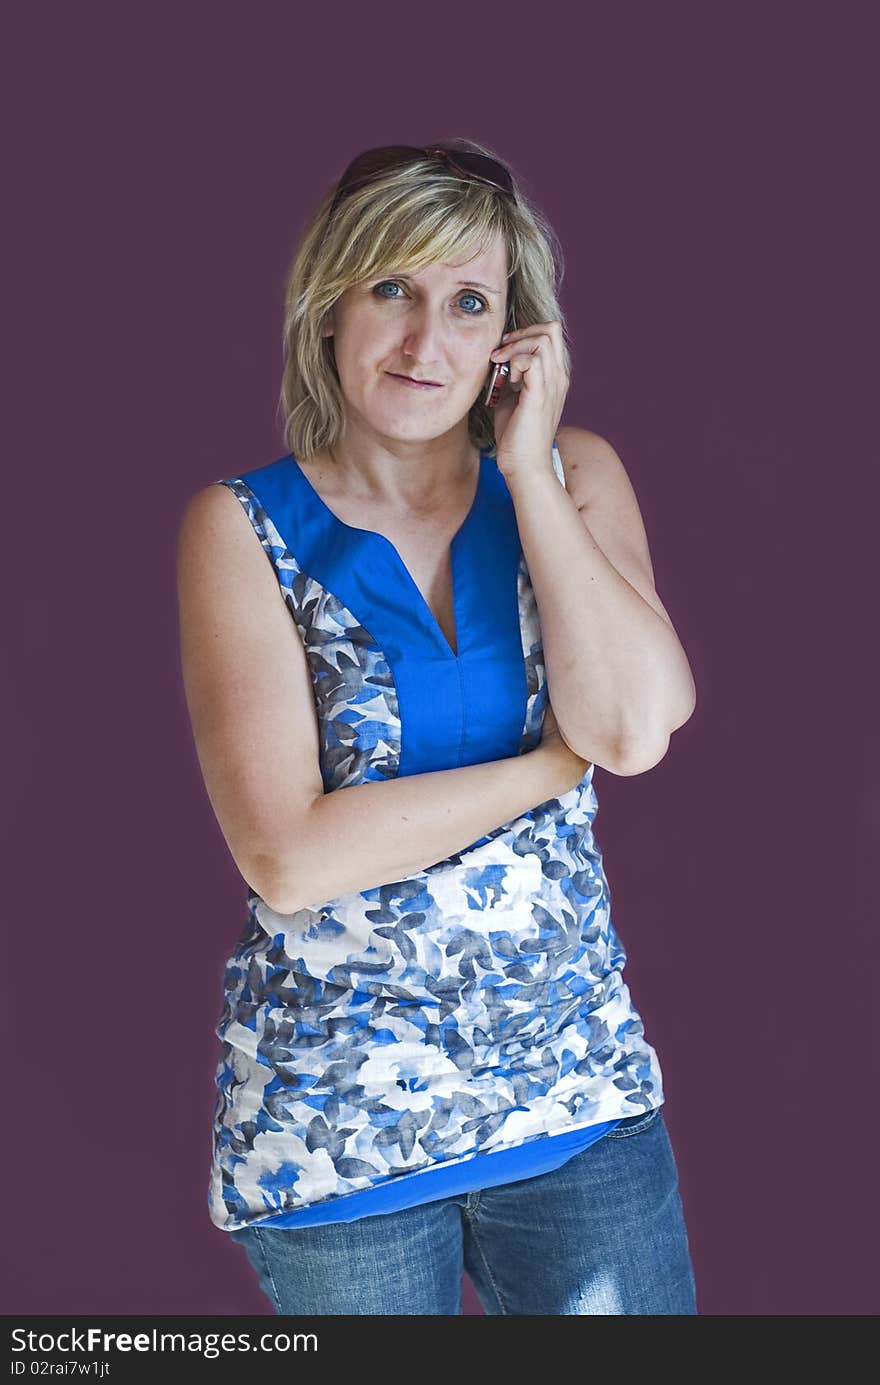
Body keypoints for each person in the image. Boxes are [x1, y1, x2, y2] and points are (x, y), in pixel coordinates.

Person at [176, 139, 699, 1316]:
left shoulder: (572, 474)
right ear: (329, 305)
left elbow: (636, 721)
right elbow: (289, 855)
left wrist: (524, 465)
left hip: (574, 1101)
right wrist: (550, 765)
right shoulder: (241, 527)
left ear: (515, 336)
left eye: (468, 303)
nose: (427, 343)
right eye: (392, 291)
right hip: (339, 1126)